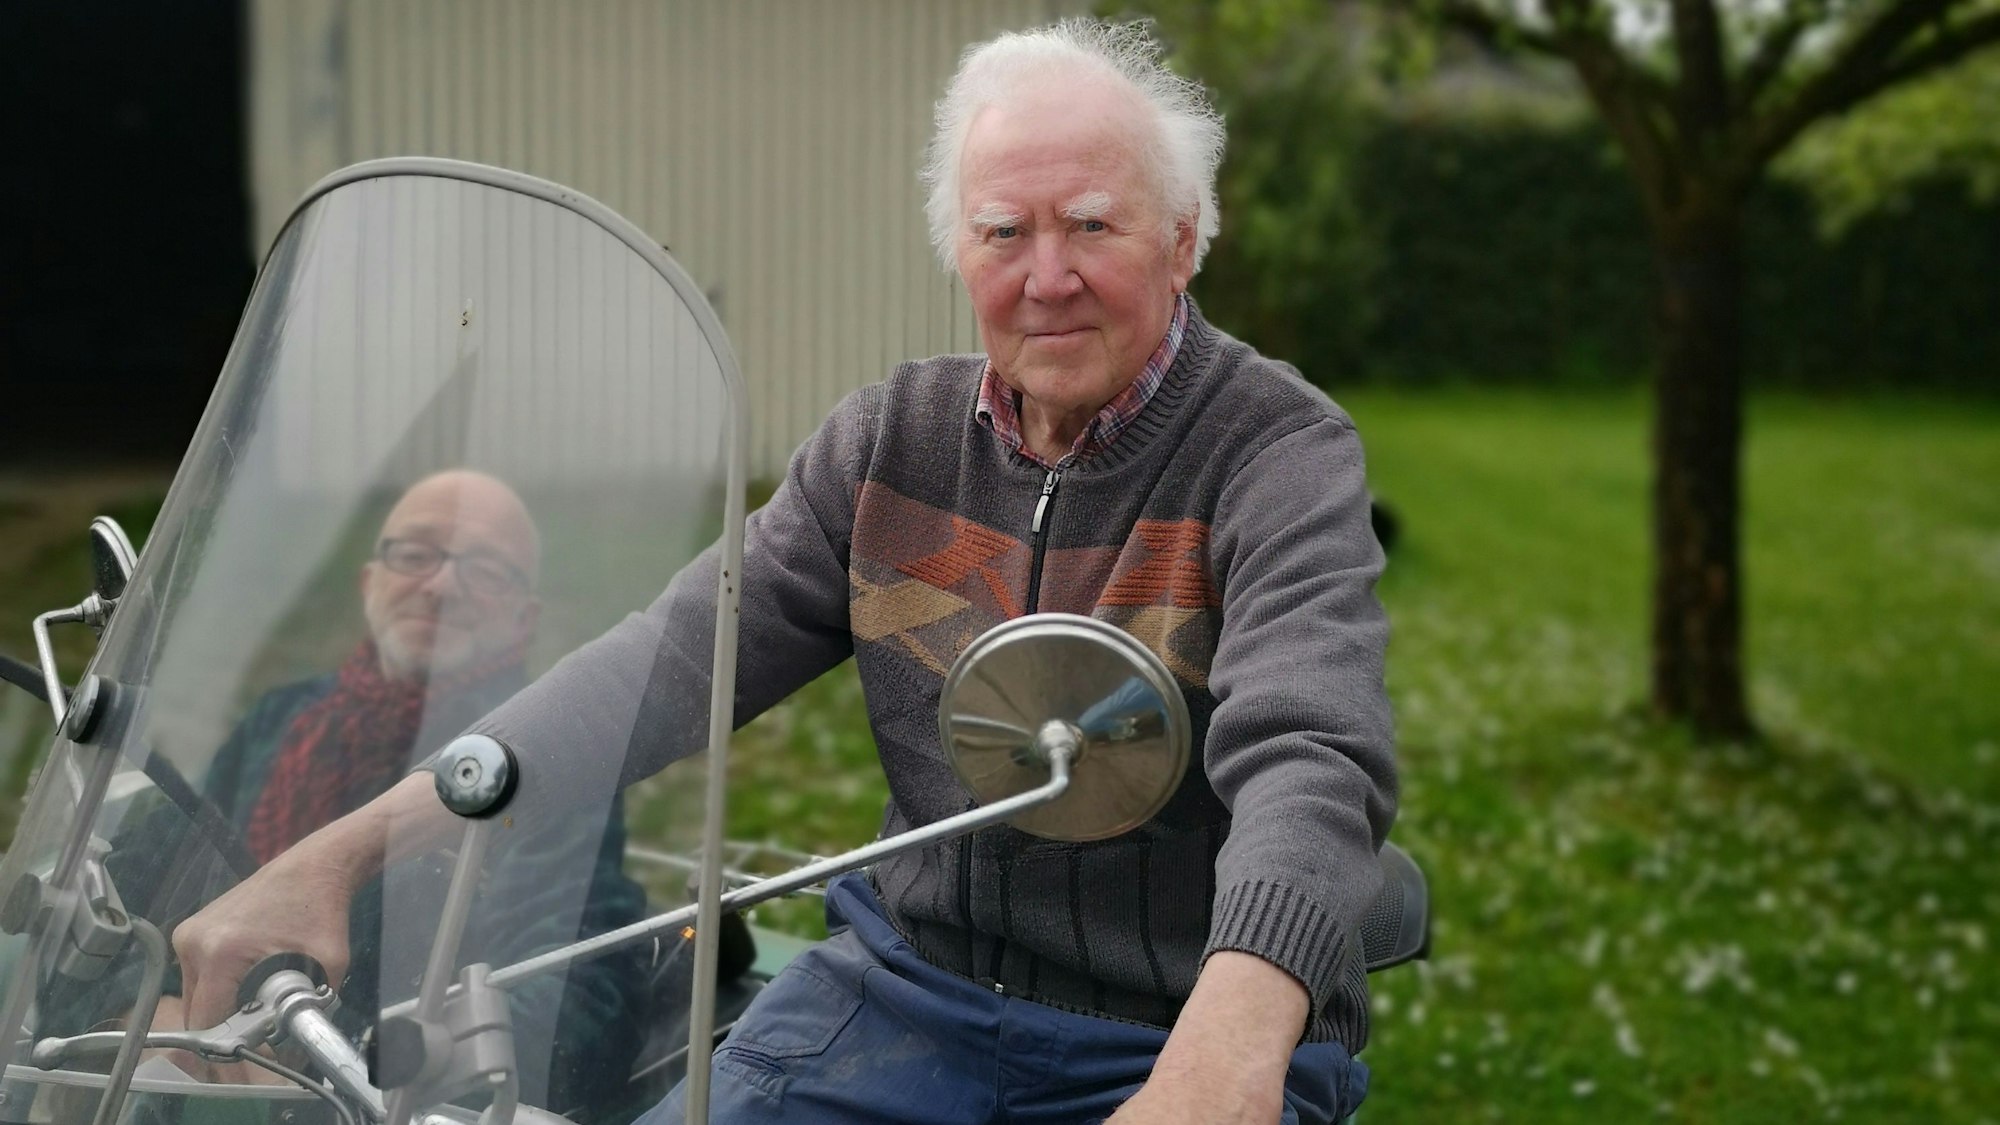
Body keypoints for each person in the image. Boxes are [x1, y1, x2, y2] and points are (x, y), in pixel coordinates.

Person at [175, 19, 1395, 1124]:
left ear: (1183, 238)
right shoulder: (886, 445)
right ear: (957, 250)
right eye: (1002, 232)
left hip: (1177, 1029)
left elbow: (1310, 752)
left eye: (1089, 223)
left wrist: (1226, 1050)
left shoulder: (1276, 454)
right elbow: (663, 664)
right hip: (907, 998)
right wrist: (328, 856)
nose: (1046, 275)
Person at [84, 470, 649, 1117]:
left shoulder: (538, 762)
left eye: (486, 568)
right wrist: (142, 1004)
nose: (440, 585)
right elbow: (146, 877)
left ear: (525, 617)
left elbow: (574, 999)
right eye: (415, 554)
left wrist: (331, 1062)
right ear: (368, 583)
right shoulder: (284, 718)